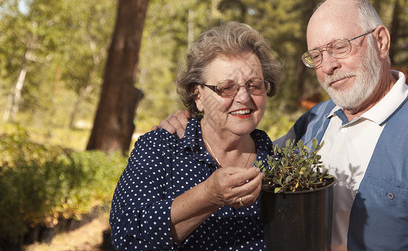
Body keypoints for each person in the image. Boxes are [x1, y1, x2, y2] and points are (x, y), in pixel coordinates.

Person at [155, 0, 408, 250]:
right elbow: (254, 153)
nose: (328, 65)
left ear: (381, 41)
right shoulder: (314, 122)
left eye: (339, 47)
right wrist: (194, 117)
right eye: (317, 55)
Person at [109, 21, 282, 250]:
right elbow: (126, 235)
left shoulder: (280, 166)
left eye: (254, 85)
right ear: (197, 94)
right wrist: (210, 195)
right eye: (226, 87)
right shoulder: (161, 148)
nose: (243, 97)